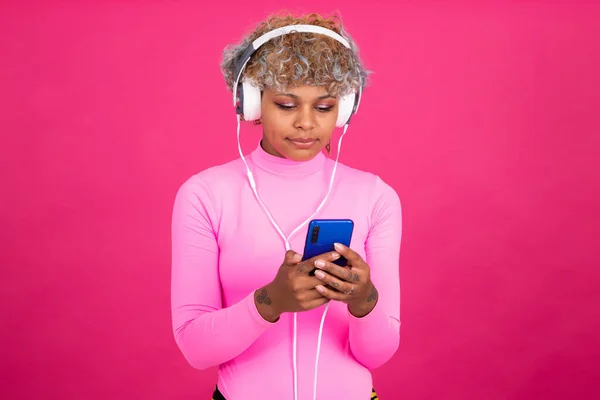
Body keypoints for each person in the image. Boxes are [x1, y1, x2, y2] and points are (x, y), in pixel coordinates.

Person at [171, 12, 402, 400]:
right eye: (287, 104)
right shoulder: (205, 194)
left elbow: (376, 354)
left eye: (325, 107)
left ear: (344, 109)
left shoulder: (376, 197)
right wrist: (270, 302)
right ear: (252, 102)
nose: (306, 124)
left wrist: (364, 300)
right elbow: (195, 349)